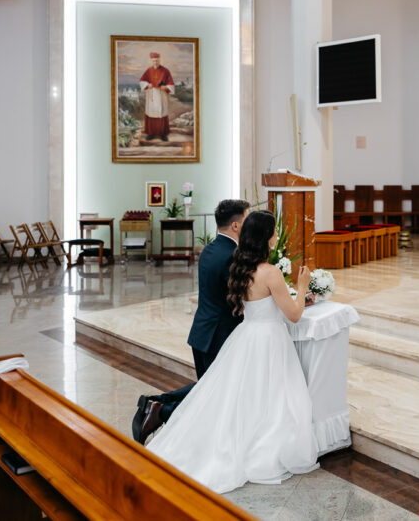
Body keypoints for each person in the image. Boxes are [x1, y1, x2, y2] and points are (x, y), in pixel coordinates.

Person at [146, 210, 320, 494]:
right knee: (269, 396)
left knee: (242, 395)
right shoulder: (271, 272)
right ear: (265, 236)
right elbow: (294, 315)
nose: (277, 235)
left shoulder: (242, 267)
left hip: (246, 336)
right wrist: (301, 288)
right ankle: (259, 444)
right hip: (269, 340)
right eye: (274, 231)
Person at [131, 198, 248, 444]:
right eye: (246, 219)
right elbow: (239, 299)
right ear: (236, 225)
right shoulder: (232, 256)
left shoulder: (209, 249)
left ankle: (157, 402)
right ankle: (161, 411)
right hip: (220, 336)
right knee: (214, 392)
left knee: (209, 387)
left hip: (202, 333)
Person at [139, 51, 176, 141]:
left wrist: (165, 87)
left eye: (157, 60)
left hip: (161, 95)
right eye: (154, 61)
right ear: (151, 61)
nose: (155, 62)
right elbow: (142, 81)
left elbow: (171, 84)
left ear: (159, 60)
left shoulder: (165, 71)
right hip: (151, 95)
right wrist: (148, 85)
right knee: (151, 114)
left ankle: (163, 134)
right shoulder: (148, 70)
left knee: (161, 114)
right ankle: (151, 133)